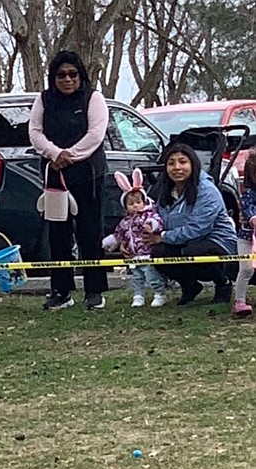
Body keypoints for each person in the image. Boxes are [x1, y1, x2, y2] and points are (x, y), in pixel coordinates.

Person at [29, 50, 109, 311]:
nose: (67, 79)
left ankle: (94, 291)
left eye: (72, 74)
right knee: (58, 234)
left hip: (88, 174)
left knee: (89, 231)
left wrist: (69, 156)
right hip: (54, 174)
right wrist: (54, 154)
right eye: (61, 75)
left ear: (80, 75)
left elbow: (95, 134)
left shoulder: (93, 98)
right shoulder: (43, 100)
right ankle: (61, 291)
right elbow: (35, 132)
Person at [142, 143, 237, 306]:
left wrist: (163, 236)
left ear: (193, 164)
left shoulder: (207, 190)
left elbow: (198, 229)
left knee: (192, 250)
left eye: (183, 162)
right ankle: (190, 287)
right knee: (158, 253)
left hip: (217, 242)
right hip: (181, 240)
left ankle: (223, 284)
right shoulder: (166, 191)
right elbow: (156, 217)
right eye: (171, 163)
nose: (177, 167)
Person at [102, 168, 166, 307]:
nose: (135, 206)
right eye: (131, 204)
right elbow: (118, 234)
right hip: (133, 256)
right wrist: (107, 242)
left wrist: (151, 226)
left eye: (138, 202)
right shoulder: (125, 221)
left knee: (152, 276)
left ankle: (159, 293)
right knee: (136, 277)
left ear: (144, 202)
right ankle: (138, 296)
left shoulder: (148, 215)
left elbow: (158, 221)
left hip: (147, 254)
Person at [232, 150, 256, 316]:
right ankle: (239, 301)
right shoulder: (248, 194)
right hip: (247, 239)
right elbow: (248, 208)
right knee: (246, 269)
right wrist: (253, 217)